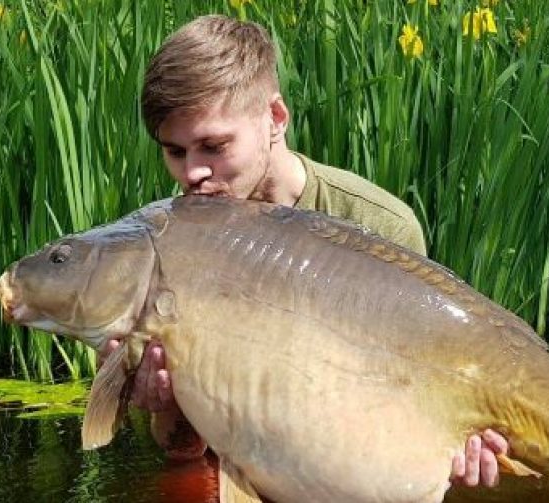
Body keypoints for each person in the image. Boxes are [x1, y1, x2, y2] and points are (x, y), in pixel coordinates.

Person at [108, 14, 508, 490]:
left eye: (213, 146)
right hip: (232, 473)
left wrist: (455, 442)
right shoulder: (166, 244)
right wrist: (167, 404)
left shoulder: (379, 226)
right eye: (175, 152)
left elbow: (398, 419)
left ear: (275, 118)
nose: (193, 172)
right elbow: (182, 450)